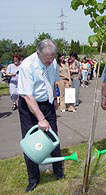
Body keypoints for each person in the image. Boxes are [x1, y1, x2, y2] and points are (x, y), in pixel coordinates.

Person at [18, 39, 64, 192]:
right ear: (38, 53)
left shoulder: (53, 62)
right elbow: (28, 97)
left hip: (48, 104)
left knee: (53, 137)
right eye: (47, 59)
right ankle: (33, 179)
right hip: (29, 105)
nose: (50, 62)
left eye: (52, 58)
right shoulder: (27, 66)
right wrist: (41, 119)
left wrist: (56, 98)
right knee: (31, 143)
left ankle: (59, 172)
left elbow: (55, 82)